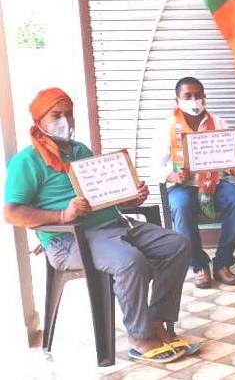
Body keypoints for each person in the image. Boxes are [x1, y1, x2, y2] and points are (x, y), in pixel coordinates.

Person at [4, 88, 193, 364]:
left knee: (177, 245)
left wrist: (129, 198)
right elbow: (12, 213)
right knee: (130, 261)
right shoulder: (27, 161)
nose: (65, 121)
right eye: (56, 115)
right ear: (39, 120)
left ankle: (156, 321)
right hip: (69, 240)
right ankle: (140, 337)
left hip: (114, 225)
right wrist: (62, 215)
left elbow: (100, 192)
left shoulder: (80, 150)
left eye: (69, 114)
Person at [153, 77, 235, 289]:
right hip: (182, 187)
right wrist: (173, 176)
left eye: (198, 95)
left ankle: (222, 263)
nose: (194, 100)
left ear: (204, 97)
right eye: (188, 96)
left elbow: (229, 160)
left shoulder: (219, 123)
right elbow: (155, 167)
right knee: (181, 206)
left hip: (215, 183)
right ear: (177, 100)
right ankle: (199, 265)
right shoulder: (166, 127)